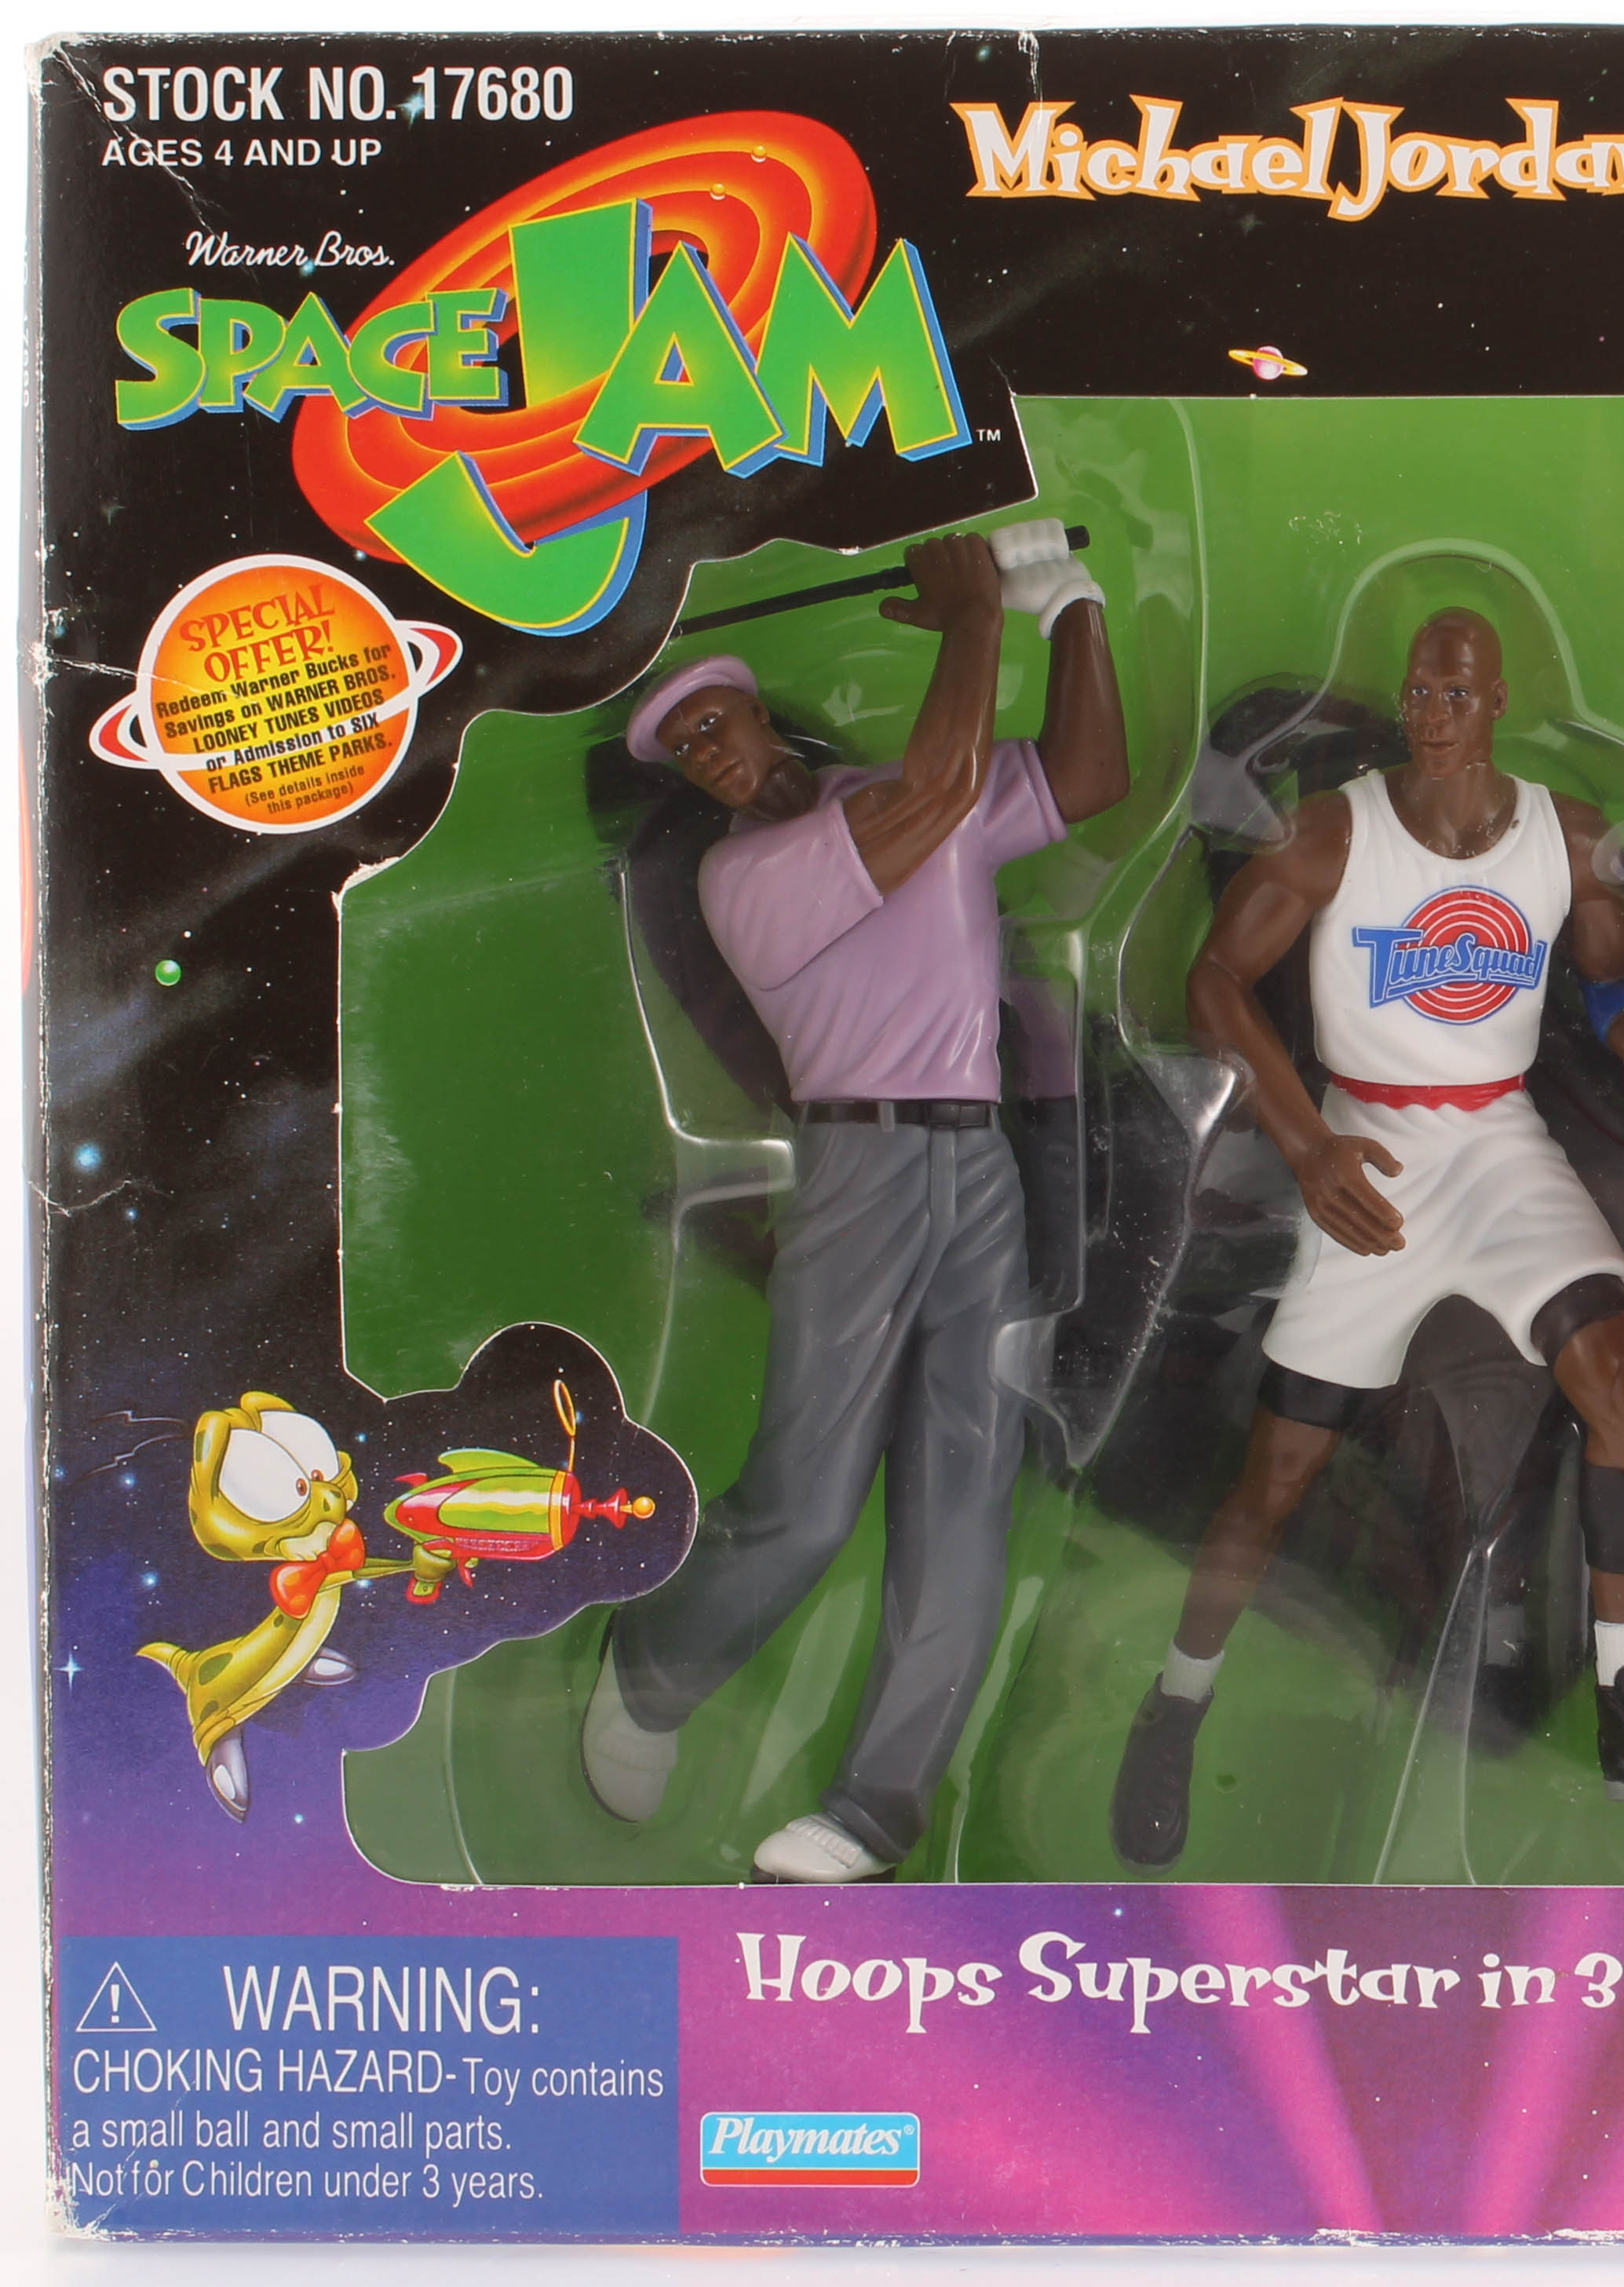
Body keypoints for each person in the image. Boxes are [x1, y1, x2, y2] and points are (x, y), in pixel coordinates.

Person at [1108, 607, 1624, 1869]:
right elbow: (1215, 980)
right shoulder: (1335, 832)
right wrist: (1304, 1141)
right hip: (1365, 1145)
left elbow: (1617, 992)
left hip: (1494, 1137)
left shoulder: (1568, 836)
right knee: (1276, 1472)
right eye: (1417, 693)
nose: (1430, 714)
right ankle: (1174, 1703)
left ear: (1495, 703)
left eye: (1454, 693)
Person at [581, 520, 1127, 1882]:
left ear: (757, 711)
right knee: (812, 1498)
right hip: (858, 1167)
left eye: (715, 721)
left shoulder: (889, 784)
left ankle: (878, 1808)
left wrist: (1069, 604)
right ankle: (654, 1666)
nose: (710, 751)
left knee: (964, 1499)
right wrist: (972, 613)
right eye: (685, 746)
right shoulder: (741, 877)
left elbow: (1088, 775)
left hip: (978, 1159)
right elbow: (944, 793)